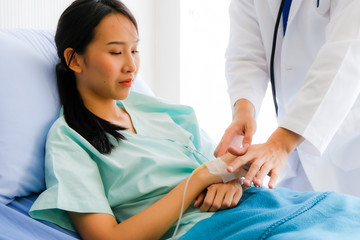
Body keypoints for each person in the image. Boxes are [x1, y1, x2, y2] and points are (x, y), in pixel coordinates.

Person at [29, 1, 360, 239]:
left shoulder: (163, 112)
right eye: (116, 52)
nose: (131, 65)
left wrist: (229, 180)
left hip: (269, 206)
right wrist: (204, 178)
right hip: (211, 229)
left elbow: (218, 170)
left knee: (349, 215)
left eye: (135, 50)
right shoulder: (69, 141)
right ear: (74, 59)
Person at [215, 0, 360, 197]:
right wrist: (244, 110)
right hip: (298, 160)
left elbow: (346, 54)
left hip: (350, 143)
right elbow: (246, 54)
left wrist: (281, 143)